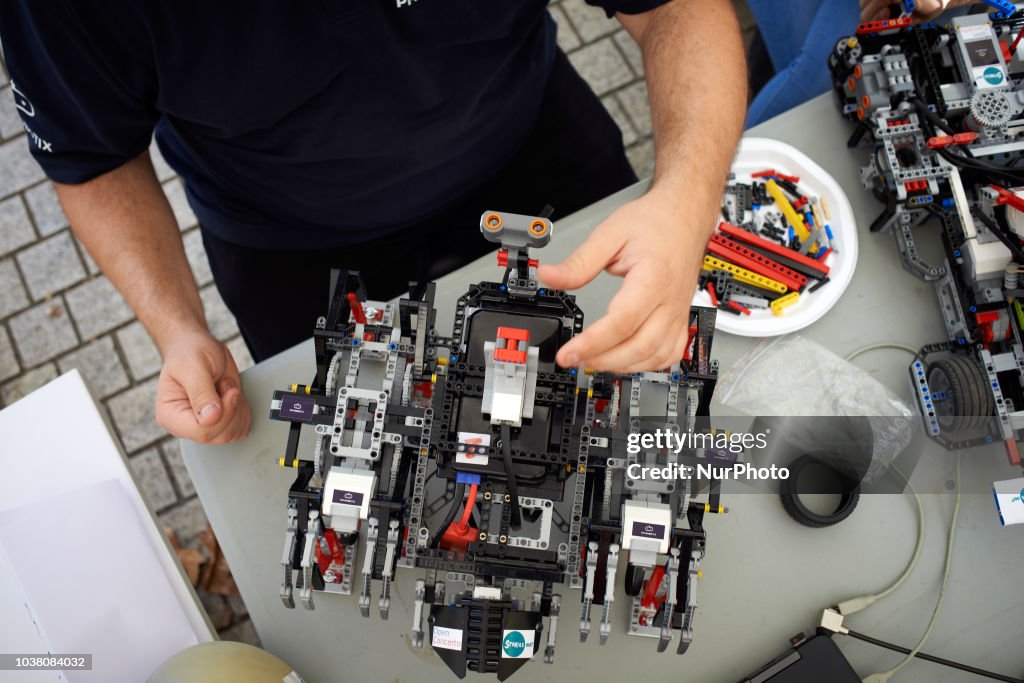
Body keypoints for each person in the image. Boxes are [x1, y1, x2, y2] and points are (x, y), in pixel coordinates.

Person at [0, 1, 746, 445]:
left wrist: (685, 201)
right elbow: (91, 157)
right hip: (287, 241)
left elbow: (672, 7)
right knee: (370, 455)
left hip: (531, 148)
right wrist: (177, 329)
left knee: (623, 409)